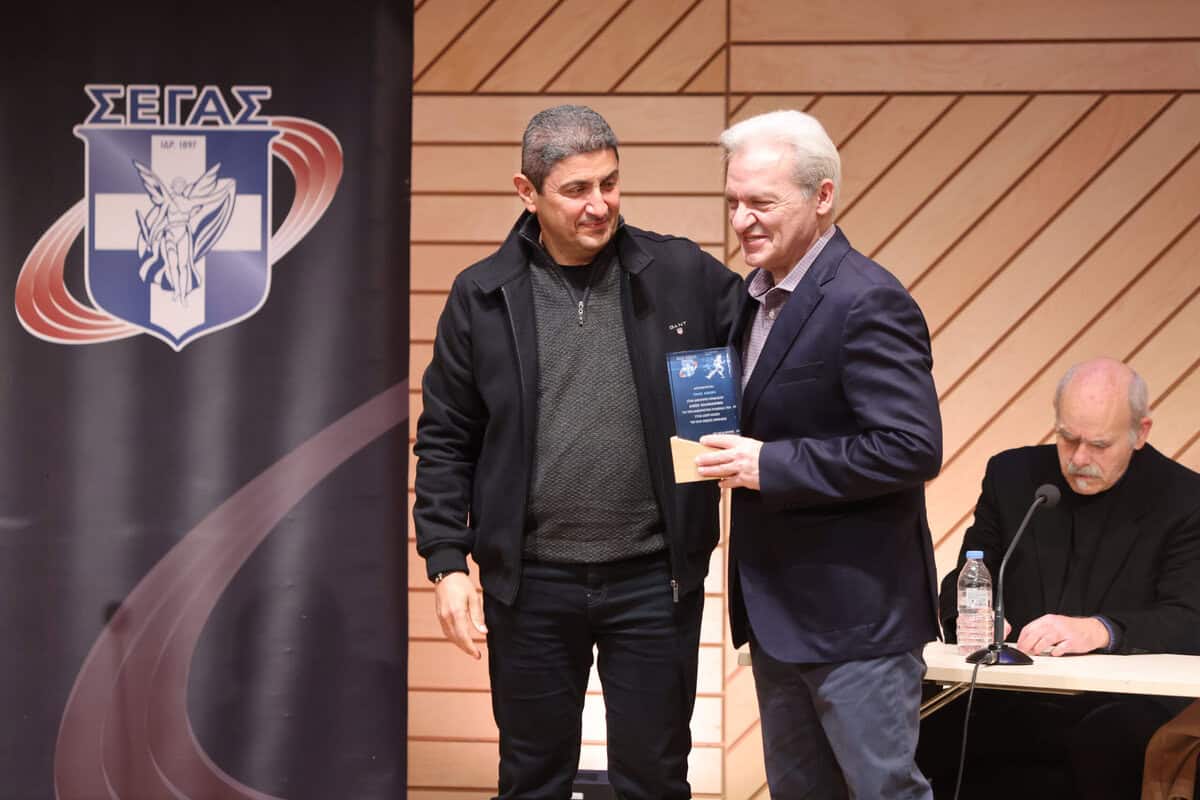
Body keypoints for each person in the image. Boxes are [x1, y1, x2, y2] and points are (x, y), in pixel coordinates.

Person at [412, 104, 741, 800]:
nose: (600, 205)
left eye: (610, 183)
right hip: (530, 585)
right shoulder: (482, 295)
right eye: (577, 189)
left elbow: (771, 340)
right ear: (527, 192)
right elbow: (445, 436)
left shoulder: (680, 272)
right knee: (531, 780)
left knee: (656, 780)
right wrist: (447, 562)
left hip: (655, 580)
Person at [695, 109, 942, 798]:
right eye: (734, 202)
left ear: (823, 195)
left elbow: (911, 447)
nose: (742, 220)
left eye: (762, 202)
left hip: (857, 624)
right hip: (778, 618)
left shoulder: (868, 299)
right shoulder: (753, 299)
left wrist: (768, 465)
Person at [918, 358, 1200, 799]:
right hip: (1013, 687)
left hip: (1120, 699)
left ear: (1140, 432)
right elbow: (969, 574)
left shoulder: (1184, 499)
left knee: (1105, 740)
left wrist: (1101, 630)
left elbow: (1187, 618)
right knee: (917, 716)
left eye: (1099, 444)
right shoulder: (1013, 476)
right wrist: (975, 618)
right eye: (1067, 438)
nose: (1079, 458)